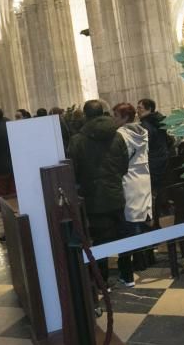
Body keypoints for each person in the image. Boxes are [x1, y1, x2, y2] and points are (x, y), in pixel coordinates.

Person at [68, 100, 128, 284]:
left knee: (100, 240)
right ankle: (127, 275)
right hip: (116, 192)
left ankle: (102, 281)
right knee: (121, 235)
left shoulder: (77, 140)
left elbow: (73, 171)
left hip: (93, 196)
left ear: (86, 116)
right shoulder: (117, 136)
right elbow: (124, 165)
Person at [111, 103, 152, 287]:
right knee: (139, 221)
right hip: (143, 179)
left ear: (124, 118)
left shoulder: (121, 135)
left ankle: (127, 273)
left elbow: (121, 160)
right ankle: (142, 261)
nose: (113, 119)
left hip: (129, 180)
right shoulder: (142, 131)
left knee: (127, 228)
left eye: (115, 116)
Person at [135, 99, 170, 193]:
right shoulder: (159, 121)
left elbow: (143, 147)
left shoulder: (145, 125)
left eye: (140, 108)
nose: (137, 111)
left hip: (153, 165)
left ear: (149, 109)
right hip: (164, 160)